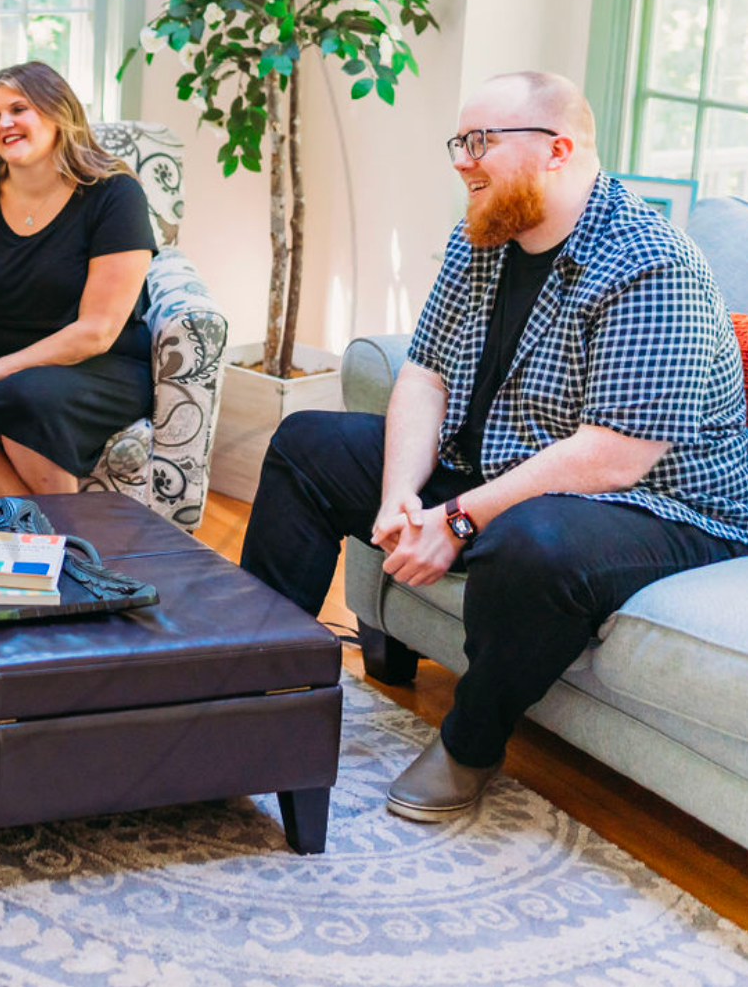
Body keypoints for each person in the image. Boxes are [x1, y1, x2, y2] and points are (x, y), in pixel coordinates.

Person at [241, 71, 748, 822]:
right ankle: (254, 692)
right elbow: (424, 371)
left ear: (558, 150)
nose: (461, 160)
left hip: (662, 506)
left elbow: (614, 455)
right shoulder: (485, 234)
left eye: (481, 141)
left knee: (529, 541)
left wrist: (456, 520)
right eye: (460, 141)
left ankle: (470, 745)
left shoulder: (651, 264)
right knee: (307, 441)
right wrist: (400, 498)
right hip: (514, 463)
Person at [0, 61, 156, 497]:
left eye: (18, 109)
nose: (3, 123)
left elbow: (96, 332)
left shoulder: (115, 194)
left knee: (27, 400)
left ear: (57, 112)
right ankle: (43, 539)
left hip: (97, 364)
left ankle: (57, 542)